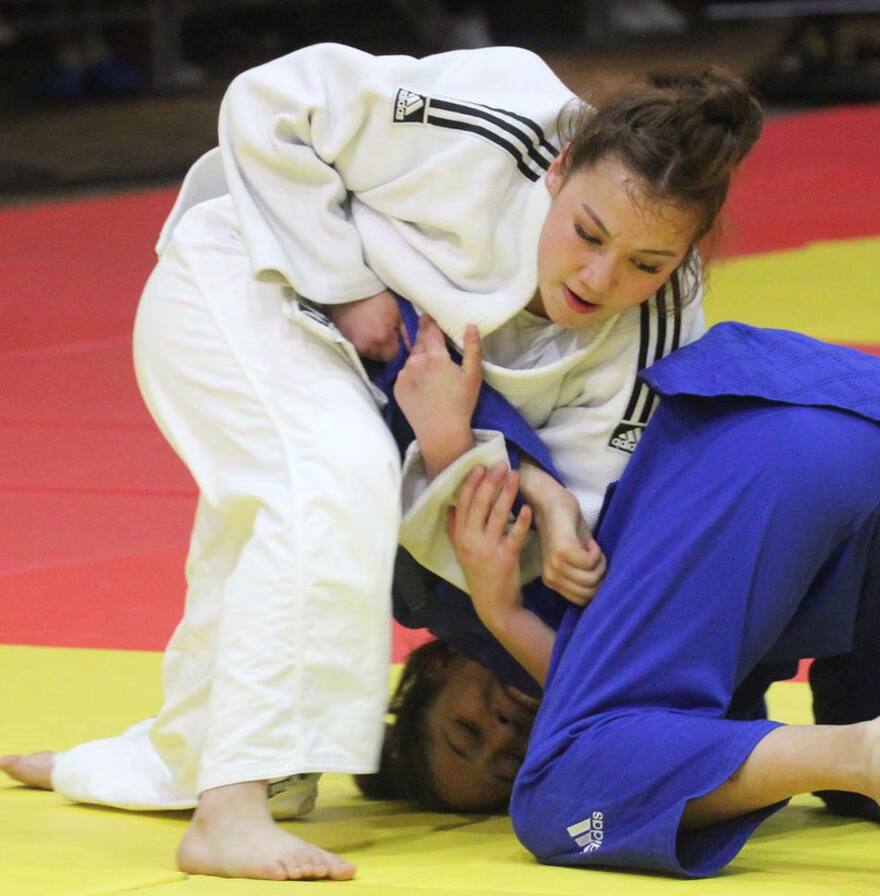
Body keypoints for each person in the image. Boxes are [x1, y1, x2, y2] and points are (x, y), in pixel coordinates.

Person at [0, 44, 763, 882]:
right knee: (334, 478)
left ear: (688, 254)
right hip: (250, 274)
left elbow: (555, 523)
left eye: (647, 265)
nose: (600, 276)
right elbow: (271, 101)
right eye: (588, 233)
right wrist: (342, 278)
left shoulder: (660, 327)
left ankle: (184, 763)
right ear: (562, 167)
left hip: (379, 396)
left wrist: (521, 490)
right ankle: (228, 813)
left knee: (279, 518)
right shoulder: (495, 119)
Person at [366, 321, 880, 872]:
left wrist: (499, 600)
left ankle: (853, 753)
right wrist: (510, 618)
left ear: (433, 671)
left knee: (562, 805)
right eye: (502, 763)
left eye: (465, 732)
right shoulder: (634, 689)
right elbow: (675, 726)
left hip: (768, 455)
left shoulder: (448, 572)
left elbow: (420, 357)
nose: (503, 735)